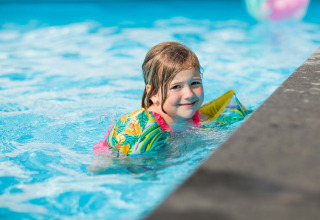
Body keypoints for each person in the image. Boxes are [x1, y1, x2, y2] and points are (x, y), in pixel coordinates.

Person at [93, 42, 251, 157]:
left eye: (195, 83)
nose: (189, 94)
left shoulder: (199, 119)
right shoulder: (140, 130)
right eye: (176, 87)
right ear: (153, 93)